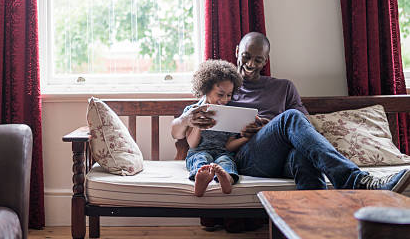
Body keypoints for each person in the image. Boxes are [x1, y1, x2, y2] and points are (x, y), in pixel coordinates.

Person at [172, 32, 410, 192]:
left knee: (302, 155)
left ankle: (315, 228)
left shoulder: (283, 87)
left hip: (284, 154)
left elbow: (305, 126)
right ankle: (357, 181)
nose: (251, 64)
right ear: (237, 51)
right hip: (246, 158)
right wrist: (189, 119)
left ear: (266, 60)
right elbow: (184, 131)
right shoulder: (225, 88)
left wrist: (269, 127)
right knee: (290, 118)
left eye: (258, 59)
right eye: (246, 56)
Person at [172, 60, 246, 196]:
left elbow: (229, 146)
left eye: (229, 95)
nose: (225, 100)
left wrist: (246, 138)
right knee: (201, 158)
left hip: (222, 152)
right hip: (198, 151)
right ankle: (200, 179)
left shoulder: (230, 114)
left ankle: (226, 179)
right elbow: (192, 144)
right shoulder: (192, 111)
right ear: (206, 90)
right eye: (220, 94)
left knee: (226, 161)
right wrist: (199, 125)